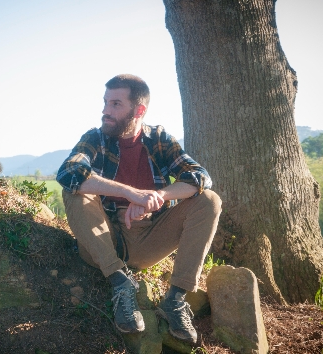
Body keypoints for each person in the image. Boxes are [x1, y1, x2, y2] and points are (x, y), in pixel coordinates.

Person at [56, 74, 222, 343]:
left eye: (116, 104)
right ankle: (120, 283)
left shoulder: (159, 139)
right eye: (106, 102)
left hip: (148, 239)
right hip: (102, 241)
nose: (106, 111)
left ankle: (176, 299)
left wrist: (155, 198)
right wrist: (130, 193)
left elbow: (199, 177)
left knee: (209, 200)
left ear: (139, 110)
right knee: (75, 191)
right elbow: (69, 172)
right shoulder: (95, 139)